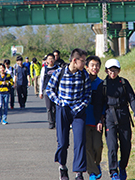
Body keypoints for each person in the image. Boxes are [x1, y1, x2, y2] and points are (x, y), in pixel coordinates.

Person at [46, 48, 91, 180]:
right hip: (63, 110)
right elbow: (49, 89)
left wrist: (82, 105)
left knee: (80, 141)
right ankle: (62, 167)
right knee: (62, 142)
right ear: (75, 60)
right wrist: (59, 102)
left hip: (78, 111)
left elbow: (88, 93)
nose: (85, 64)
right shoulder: (59, 72)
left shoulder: (84, 74)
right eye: (83, 61)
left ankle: (79, 173)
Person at [94, 59, 135, 180]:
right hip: (109, 116)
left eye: (115, 70)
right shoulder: (103, 86)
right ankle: (113, 172)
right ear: (106, 71)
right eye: (110, 71)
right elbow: (99, 105)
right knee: (112, 146)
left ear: (119, 70)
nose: (113, 73)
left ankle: (123, 166)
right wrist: (99, 121)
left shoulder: (124, 83)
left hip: (124, 115)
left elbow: (132, 98)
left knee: (126, 145)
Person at [85, 56, 104, 180]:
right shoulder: (83, 81)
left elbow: (104, 103)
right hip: (84, 120)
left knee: (98, 146)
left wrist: (101, 120)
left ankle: (96, 165)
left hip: (96, 120)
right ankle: (91, 171)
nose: (95, 68)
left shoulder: (101, 84)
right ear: (87, 67)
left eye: (97, 65)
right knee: (88, 148)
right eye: (92, 65)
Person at [39, 53, 59, 129]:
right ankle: (51, 123)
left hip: (56, 91)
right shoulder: (44, 69)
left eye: (52, 58)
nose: (51, 60)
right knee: (49, 108)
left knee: (56, 108)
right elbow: (41, 80)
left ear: (54, 59)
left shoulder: (58, 68)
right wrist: (41, 92)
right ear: (46, 60)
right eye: (49, 59)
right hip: (47, 90)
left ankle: (57, 122)